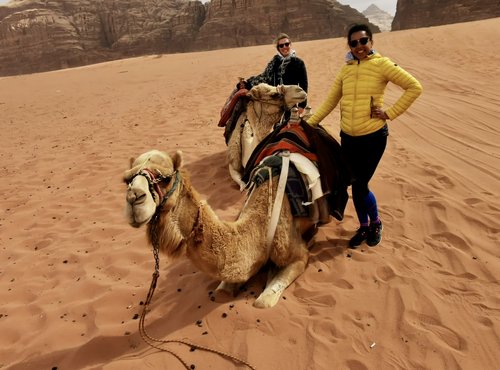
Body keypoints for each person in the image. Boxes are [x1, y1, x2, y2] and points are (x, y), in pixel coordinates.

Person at [306, 23, 422, 248]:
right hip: (349, 138)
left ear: (371, 42)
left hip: (373, 138)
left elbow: (414, 87)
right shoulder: (346, 70)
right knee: (354, 184)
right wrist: (309, 125)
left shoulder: (382, 64)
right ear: (349, 44)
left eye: (363, 41)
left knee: (360, 186)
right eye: (354, 42)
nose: (359, 46)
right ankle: (364, 226)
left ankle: (375, 223)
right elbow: (331, 101)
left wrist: (389, 113)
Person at [246, 33, 308, 111]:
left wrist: (302, 106)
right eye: (281, 45)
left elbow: (304, 84)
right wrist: (247, 83)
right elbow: (264, 77)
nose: (284, 47)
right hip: (273, 102)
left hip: (291, 103)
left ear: (290, 45)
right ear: (278, 48)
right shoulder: (274, 62)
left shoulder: (298, 63)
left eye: (286, 44)